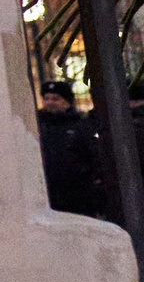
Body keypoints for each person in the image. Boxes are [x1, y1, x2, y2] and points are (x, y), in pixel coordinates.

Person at [38, 79, 105, 218]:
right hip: (49, 194)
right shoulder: (39, 127)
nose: (50, 102)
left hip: (78, 196)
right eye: (47, 98)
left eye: (56, 99)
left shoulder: (80, 126)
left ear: (66, 101)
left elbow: (94, 157)